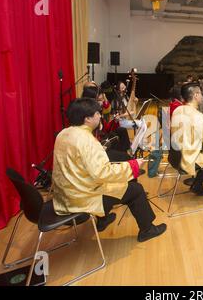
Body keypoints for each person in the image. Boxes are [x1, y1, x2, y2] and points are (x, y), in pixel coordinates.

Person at [52, 98, 166, 241]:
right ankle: (147, 230)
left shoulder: (63, 133)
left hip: (65, 194)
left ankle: (103, 219)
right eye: (97, 114)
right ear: (87, 119)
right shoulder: (87, 140)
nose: (100, 116)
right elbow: (102, 174)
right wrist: (133, 165)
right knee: (135, 189)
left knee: (116, 182)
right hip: (81, 198)